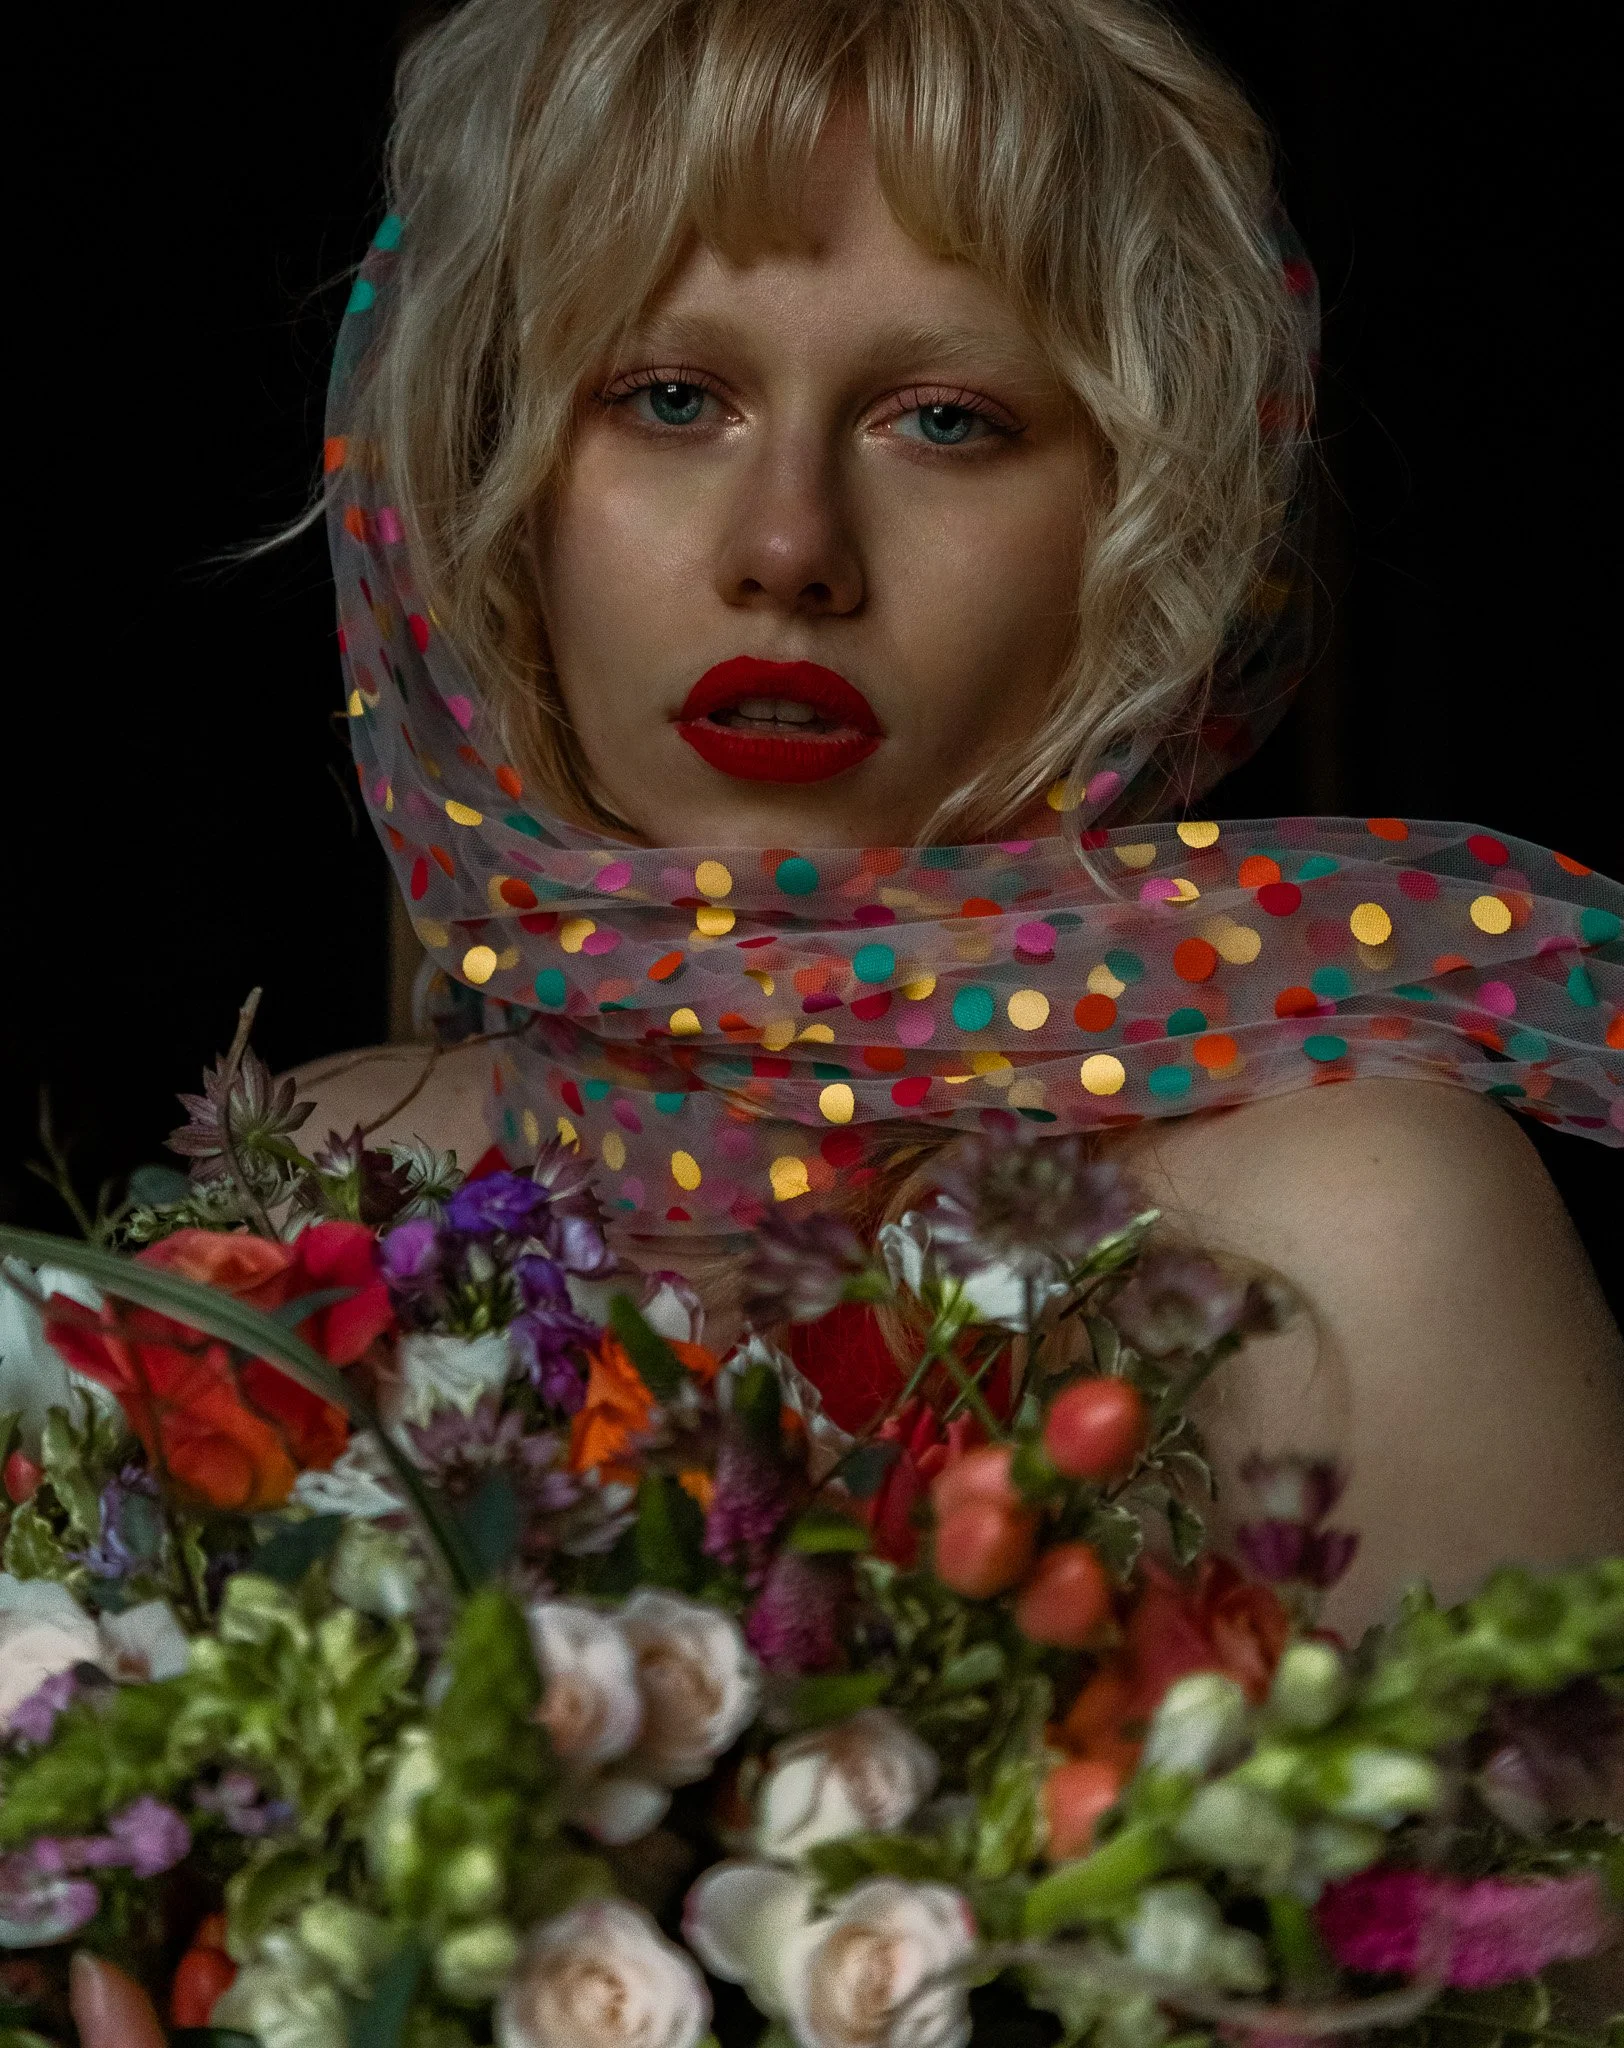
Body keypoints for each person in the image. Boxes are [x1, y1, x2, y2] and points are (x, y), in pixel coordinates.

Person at [63, 7, 1623, 2041]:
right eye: (670, 395)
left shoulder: (1351, 1219)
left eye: (944, 420)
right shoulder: (304, 1192)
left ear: (1137, 522)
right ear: (494, 485)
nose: (786, 545)